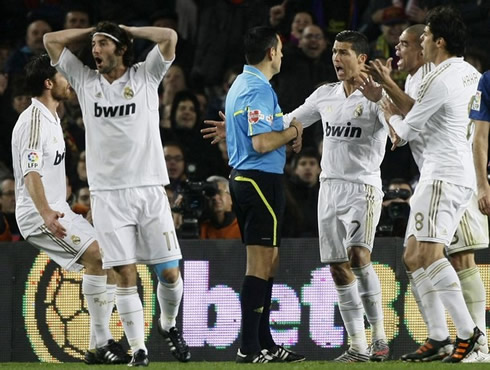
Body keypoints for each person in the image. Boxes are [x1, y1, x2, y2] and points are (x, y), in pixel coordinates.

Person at [203, 29, 391, 363]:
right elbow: (290, 122)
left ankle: (379, 337)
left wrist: (383, 100)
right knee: (336, 267)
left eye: (343, 52)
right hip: (329, 187)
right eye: (334, 51)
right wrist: (237, 129)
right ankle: (358, 347)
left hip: (363, 186)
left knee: (359, 257)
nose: (336, 58)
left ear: (362, 59)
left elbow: (399, 132)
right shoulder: (325, 95)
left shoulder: (376, 98)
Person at [43, 22, 190, 366]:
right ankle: (139, 350)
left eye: (103, 45)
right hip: (107, 195)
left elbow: (169, 37)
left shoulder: (145, 76)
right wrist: (96, 31)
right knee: (125, 272)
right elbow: (50, 40)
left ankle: (167, 325)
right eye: (93, 45)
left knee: (169, 274)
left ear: (121, 49)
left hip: (150, 189)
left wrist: (126, 31)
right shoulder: (84, 80)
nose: (95, 50)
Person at [367, 23, 490, 362]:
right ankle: (439, 336)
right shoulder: (464, 72)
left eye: (413, 41)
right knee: (412, 256)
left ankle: (472, 334)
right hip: (442, 173)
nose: (401, 48)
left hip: (446, 174)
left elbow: (403, 131)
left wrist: (384, 103)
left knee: (448, 256)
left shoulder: (438, 78)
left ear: (434, 44)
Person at [10, 54, 126, 364]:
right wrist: (47, 212)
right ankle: (101, 343)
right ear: (49, 83)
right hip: (38, 215)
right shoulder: (34, 119)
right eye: (63, 77)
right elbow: (30, 172)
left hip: (57, 208)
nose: (69, 81)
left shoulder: (52, 116)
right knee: (99, 254)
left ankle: (95, 347)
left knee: (109, 260)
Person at [225, 26, 305, 364]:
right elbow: (260, 143)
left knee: (268, 262)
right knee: (259, 265)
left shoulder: (241, 85)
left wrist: (284, 132)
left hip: (250, 180)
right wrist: (292, 131)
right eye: (281, 49)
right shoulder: (257, 89)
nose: (283, 55)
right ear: (272, 51)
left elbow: (254, 132)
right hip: (259, 180)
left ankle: (266, 342)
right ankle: (249, 346)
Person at [199, 175, 241, 240]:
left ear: (231, 197)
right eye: (210, 193)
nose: (215, 197)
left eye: (219, 192)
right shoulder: (202, 229)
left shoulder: (243, 228)